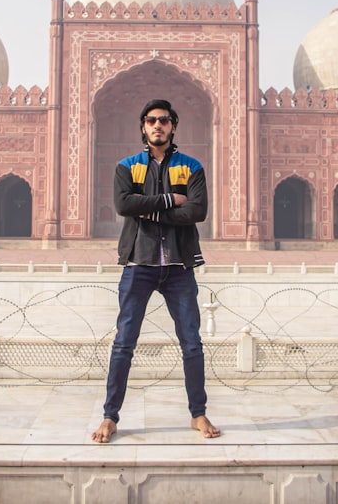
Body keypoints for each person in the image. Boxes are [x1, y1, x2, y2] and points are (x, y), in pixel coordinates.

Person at [91, 99, 221, 443]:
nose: (157, 125)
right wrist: (168, 201)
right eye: (151, 120)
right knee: (123, 344)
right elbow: (123, 205)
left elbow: (197, 211)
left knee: (191, 343)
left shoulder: (191, 167)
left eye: (164, 120)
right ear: (143, 127)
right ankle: (110, 416)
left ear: (173, 126)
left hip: (178, 265)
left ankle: (198, 414)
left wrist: (147, 209)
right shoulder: (127, 166)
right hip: (139, 263)